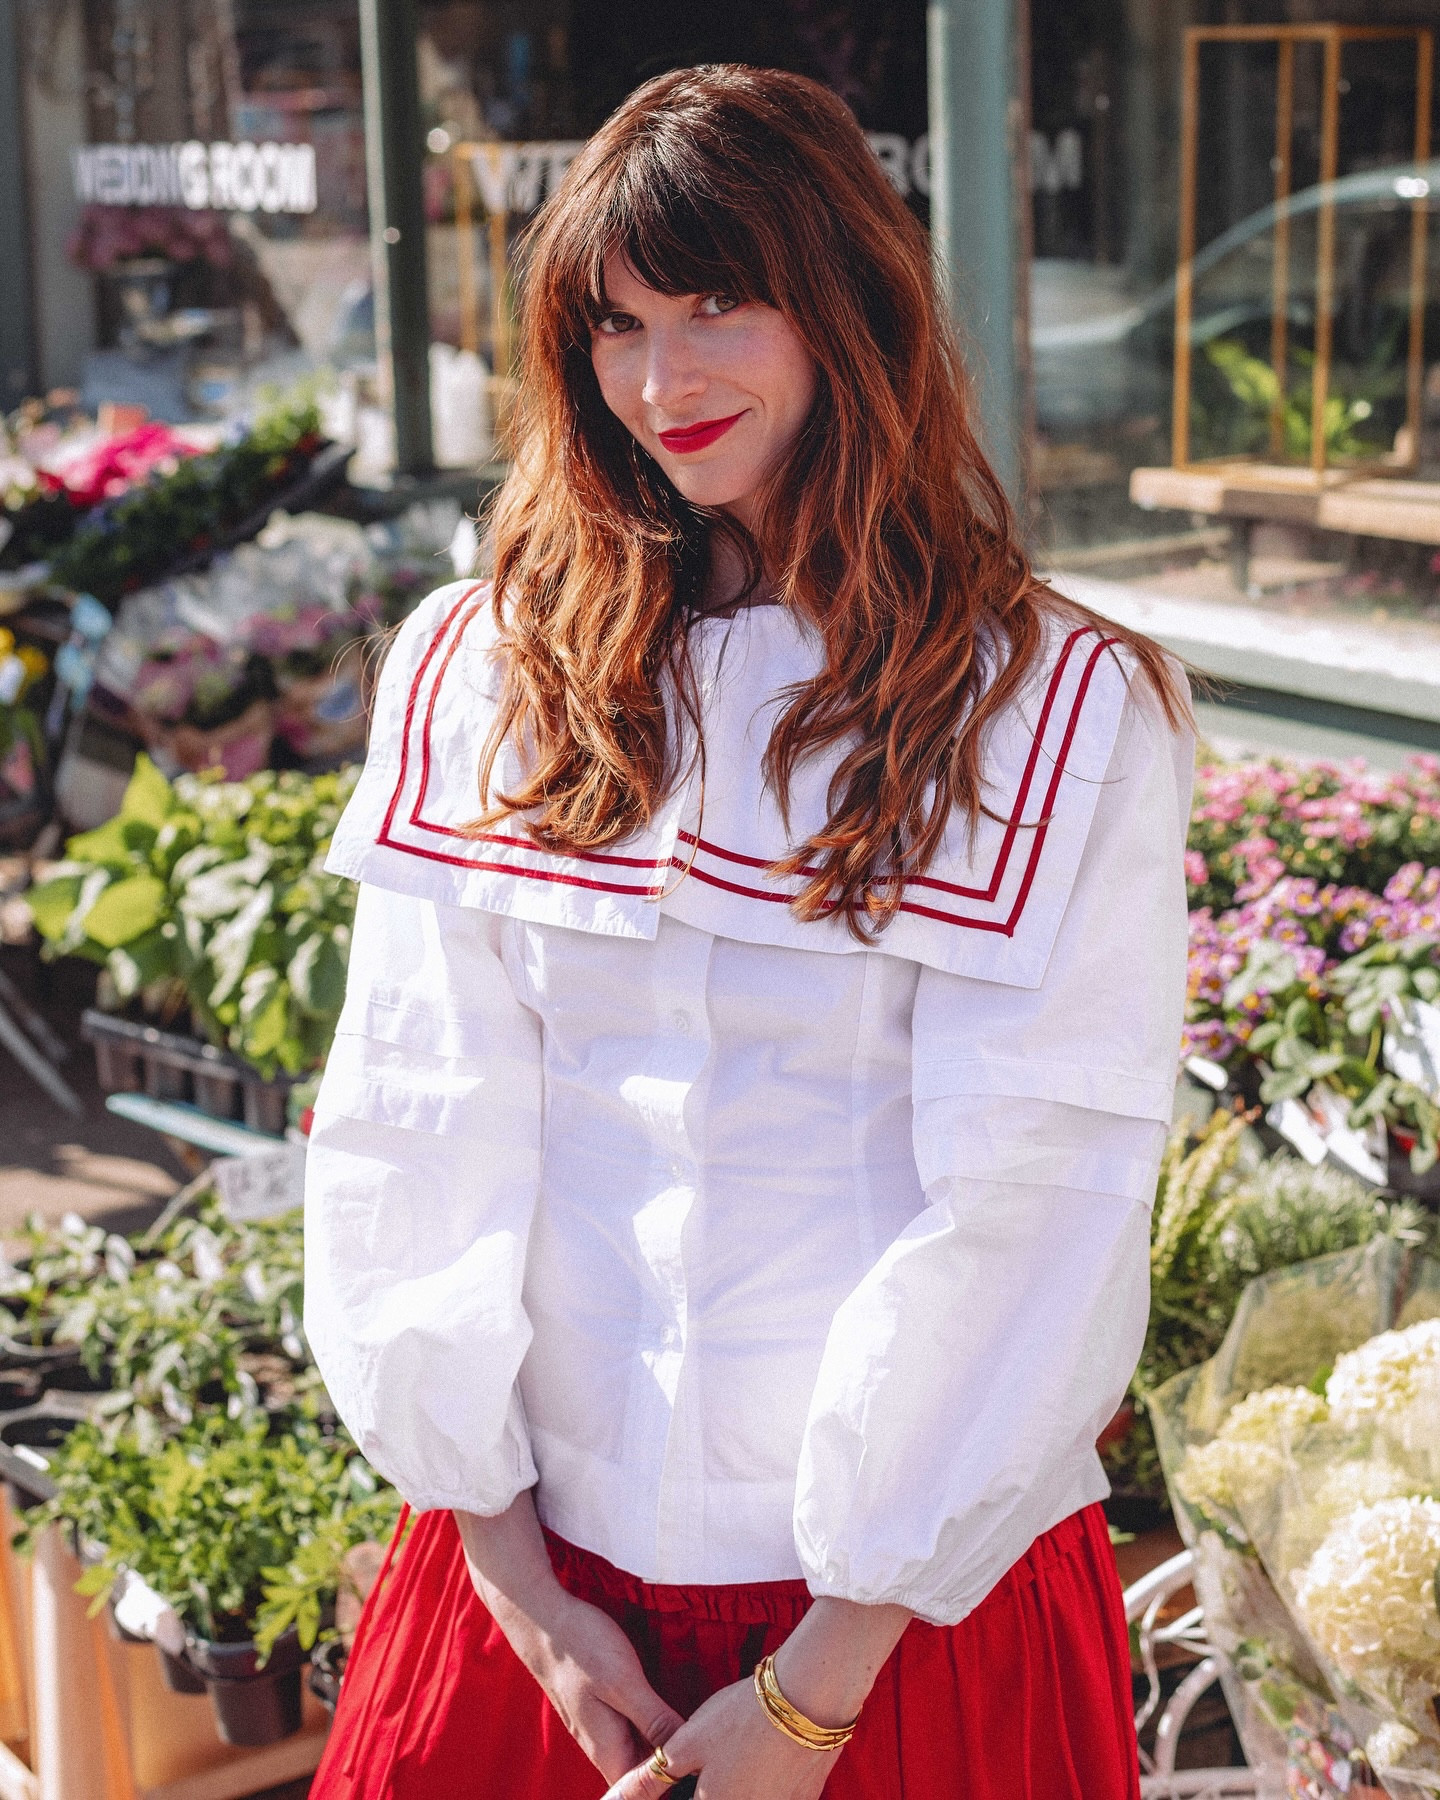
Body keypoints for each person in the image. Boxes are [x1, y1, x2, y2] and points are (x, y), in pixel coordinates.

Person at [304, 62, 1193, 1800]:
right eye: (619, 326)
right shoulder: (490, 667)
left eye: (722, 304)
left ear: (848, 305)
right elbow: (417, 1121)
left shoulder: (1051, 708)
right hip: (543, 1597)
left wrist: (813, 1695)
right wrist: (523, 1593)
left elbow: (1038, 1205)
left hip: (901, 1626)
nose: (662, 379)